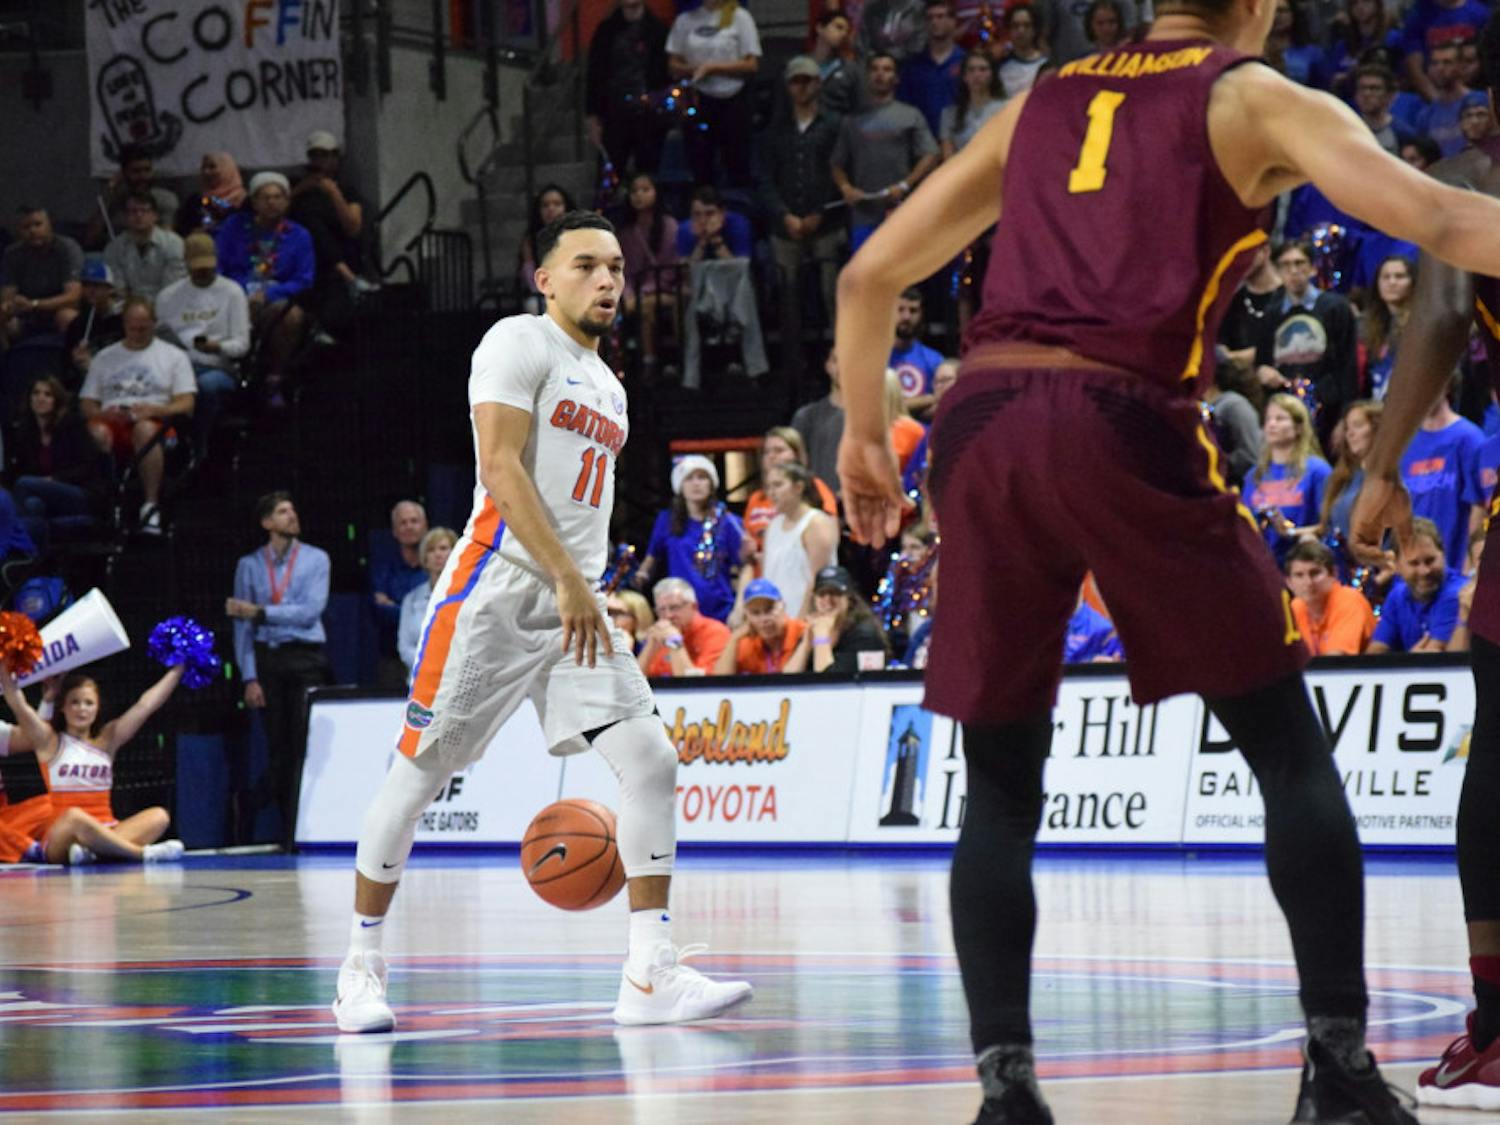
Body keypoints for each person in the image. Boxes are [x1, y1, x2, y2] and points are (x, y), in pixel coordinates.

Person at [833, 0, 1500, 1109]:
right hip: (1122, 409)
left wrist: (863, 432)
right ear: (1257, 6)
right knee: (1288, 749)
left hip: (982, 421)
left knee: (998, 790)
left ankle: (1006, 1090)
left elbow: (867, 281)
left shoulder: (1037, 97)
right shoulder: (1248, 94)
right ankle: (1336, 1070)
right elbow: (1435, 217)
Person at [332, 211, 752, 1034]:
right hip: (499, 589)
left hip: (579, 604)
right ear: (545, 278)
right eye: (588, 265)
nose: (607, 281)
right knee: (416, 779)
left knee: (652, 760)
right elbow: (498, 467)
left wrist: (582, 586)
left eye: (618, 270)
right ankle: (360, 967)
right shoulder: (517, 342)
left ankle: (648, 971)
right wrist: (564, 576)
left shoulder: (612, 387)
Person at [1353, 47, 1500, 1096]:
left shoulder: (1476, 192)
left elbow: (1443, 314)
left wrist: (1380, 468)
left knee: (1497, 763)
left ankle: (1498, 1017)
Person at [226, 492, 332, 845]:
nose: (292, 516)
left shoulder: (317, 559)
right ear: (267, 522)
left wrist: (261, 611)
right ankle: (285, 827)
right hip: (268, 659)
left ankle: (281, 814)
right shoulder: (250, 565)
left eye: (293, 509)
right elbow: (241, 627)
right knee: (277, 746)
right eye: (283, 512)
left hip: (306, 658)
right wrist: (249, 676)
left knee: (303, 743)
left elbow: (310, 611)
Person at [0, 666, 186, 865]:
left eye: (89, 703)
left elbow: (146, 705)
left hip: (108, 828)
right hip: (62, 836)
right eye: (74, 703)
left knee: (159, 816)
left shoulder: (107, 741)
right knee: (74, 817)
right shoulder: (50, 742)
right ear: (62, 707)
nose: (82, 709)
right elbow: (18, 704)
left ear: (97, 709)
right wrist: (3, 664)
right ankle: (141, 854)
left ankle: (94, 852)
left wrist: (178, 669)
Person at [78, 295, 196, 535]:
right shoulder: (104, 357)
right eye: (133, 326)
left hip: (158, 423)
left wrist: (155, 410)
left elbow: (187, 403)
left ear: (153, 323)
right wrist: (104, 414)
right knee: (95, 431)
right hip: (114, 420)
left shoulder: (173, 356)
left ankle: (151, 505)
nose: (138, 331)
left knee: (145, 430)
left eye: (144, 326)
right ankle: (105, 501)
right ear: (124, 324)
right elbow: (86, 403)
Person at [758, 56, 846, 353]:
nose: (802, 87)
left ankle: (840, 356)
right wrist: (784, 215)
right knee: (789, 296)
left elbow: (839, 172)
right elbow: (764, 176)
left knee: (831, 291)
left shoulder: (835, 125)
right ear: (788, 86)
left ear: (818, 83)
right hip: (785, 226)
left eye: (807, 80)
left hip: (827, 222)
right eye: (796, 81)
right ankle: (793, 364)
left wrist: (819, 212)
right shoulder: (774, 130)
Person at [215, 173, 315, 406]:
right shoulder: (234, 227)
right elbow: (218, 267)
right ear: (254, 201)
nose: (272, 202)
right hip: (235, 294)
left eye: (278, 197)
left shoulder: (299, 235)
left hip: (277, 297)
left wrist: (268, 295)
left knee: (290, 316)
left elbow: (304, 279)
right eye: (265, 197)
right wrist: (239, 292)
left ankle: (274, 379)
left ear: (287, 201)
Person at [154, 233, 251, 461]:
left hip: (218, 367)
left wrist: (218, 347)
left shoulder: (232, 292)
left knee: (204, 386)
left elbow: (242, 344)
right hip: (179, 365)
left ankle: (199, 444)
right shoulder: (168, 297)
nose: (203, 272)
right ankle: (166, 443)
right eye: (197, 267)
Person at [831, 53, 941, 253]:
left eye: (887, 69)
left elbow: (931, 154)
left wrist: (905, 184)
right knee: (865, 277)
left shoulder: (910, 115)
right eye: (874, 69)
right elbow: (837, 163)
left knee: (902, 276)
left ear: (896, 78)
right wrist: (846, 188)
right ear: (867, 77)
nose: (880, 74)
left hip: (900, 211)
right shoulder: (851, 120)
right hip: (863, 214)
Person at [1255, 239, 1359, 437]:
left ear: (1312, 269)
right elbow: (1262, 363)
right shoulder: (1272, 314)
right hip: (1286, 411)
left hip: (1329, 411)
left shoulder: (1335, 308)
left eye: (1299, 263)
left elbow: (1348, 367)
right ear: (1277, 271)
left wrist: (1346, 418)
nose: (1293, 271)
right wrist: (1263, 373)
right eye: (1285, 265)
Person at [665, 0, 762, 188]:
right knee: (700, 164)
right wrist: (694, 69)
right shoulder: (685, 20)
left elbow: (751, 64)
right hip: (699, 100)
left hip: (733, 99)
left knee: (737, 164)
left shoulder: (740, 17)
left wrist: (713, 68)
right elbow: (672, 64)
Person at [638, 454, 743, 621]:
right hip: (680, 614)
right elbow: (651, 559)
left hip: (721, 612)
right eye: (689, 478)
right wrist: (639, 576)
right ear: (679, 485)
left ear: (711, 484)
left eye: (702, 477)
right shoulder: (666, 520)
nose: (696, 483)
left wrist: (739, 609)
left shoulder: (729, 521)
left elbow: (746, 567)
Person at [8, 375, 109, 544]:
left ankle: (16, 547)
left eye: (48, 394)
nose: (41, 398)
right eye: (36, 393)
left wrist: (54, 480)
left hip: (80, 493)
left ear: (57, 400)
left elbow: (87, 466)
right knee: (33, 504)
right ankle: (36, 559)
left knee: (23, 483)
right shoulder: (25, 431)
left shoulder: (72, 425)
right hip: (44, 493)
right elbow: (19, 468)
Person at [1400, 371, 1485, 570]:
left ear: (1446, 385)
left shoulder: (1469, 438)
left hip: (1454, 565)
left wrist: (1469, 565)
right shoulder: (1406, 442)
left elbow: (1479, 508)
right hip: (1415, 566)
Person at [289, 130, 369, 335]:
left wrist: (333, 193)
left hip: (337, 258)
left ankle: (343, 273)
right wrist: (300, 190)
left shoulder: (347, 190)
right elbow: (274, 215)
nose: (319, 161)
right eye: (315, 156)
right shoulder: (296, 188)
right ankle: (347, 276)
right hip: (304, 258)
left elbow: (353, 228)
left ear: (336, 158)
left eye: (325, 155)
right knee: (308, 216)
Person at [1242, 393, 1332, 566]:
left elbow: (1328, 526)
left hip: (1302, 566)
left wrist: (1290, 532)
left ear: (1299, 427)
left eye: (1280, 418)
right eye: (1268, 419)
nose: (1271, 424)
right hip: (1258, 565)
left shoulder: (1317, 470)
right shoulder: (1254, 475)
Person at [585, 0, 671, 180]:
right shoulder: (605, 31)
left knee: (649, 177)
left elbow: (665, 76)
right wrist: (592, 115)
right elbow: (594, 74)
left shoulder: (659, 30)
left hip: (649, 114)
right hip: (614, 114)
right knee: (608, 179)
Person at [739, 427, 839, 573]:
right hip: (764, 580)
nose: (772, 456)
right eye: (767, 452)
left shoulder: (816, 488)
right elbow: (746, 550)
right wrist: (747, 552)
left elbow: (830, 539)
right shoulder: (756, 498)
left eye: (779, 450)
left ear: (796, 455)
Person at [750, 460, 839, 619]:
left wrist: (800, 622)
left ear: (798, 487)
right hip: (777, 620)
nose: (771, 493)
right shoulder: (773, 525)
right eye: (768, 487)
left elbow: (818, 580)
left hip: (805, 618)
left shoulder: (816, 523)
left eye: (778, 485)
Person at [1365, 517, 1465, 653]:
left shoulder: (1458, 593)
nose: (1424, 571)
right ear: (1396, 565)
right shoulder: (1397, 595)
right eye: (1414, 563)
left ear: (1443, 554)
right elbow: (1374, 653)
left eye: (1430, 561)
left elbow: (1434, 659)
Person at [616, 173, 679, 373]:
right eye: (634, 191)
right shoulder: (625, 232)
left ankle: (653, 361)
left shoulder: (670, 226)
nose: (638, 196)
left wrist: (644, 291)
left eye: (645, 190)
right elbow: (622, 271)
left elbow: (671, 269)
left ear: (656, 193)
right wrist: (628, 295)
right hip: (634, 292)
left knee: (647, 305)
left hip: (667, 288)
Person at [786, 565, 890, 673]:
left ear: (848, 598)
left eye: (835, 593)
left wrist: (821, 636)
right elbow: (786, 681)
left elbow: (830, 681)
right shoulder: (813, 629)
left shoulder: (864, 635)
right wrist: (805, 644)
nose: (828, 600)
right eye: (822, 594)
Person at [1, 205, 82, 343]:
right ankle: (9, 362)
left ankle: (70, 362)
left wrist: (35, 304)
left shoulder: (67, 248)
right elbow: (7, 296)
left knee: (68, 317)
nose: (32, 231)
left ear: (50, 224)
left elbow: (73, 297)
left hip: (57, 311)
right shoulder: (11, 254)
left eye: (38, 224)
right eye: (26, 227)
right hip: (26, 315)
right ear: (18, 231)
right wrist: (10, 305)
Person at [1286, 539, 1376, 655]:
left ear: (1333, 574)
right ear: (1289, 583)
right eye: (1299, 575)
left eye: (1315, 573)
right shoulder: (1295, 607)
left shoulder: (1349, 600)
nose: (1308, 582)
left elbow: (1335, 663)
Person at [86, 145, 180, 251]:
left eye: (147, 170)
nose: (143, 176)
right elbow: (90, 239)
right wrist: (109, 195)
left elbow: (167, 243)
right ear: (123, 173)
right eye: (136, 171)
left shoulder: (165, 200)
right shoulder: (114, 200)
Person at [372, 500, 431, 666]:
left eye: (414, 521)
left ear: (425, 525)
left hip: (433, 656)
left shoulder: (438, 568)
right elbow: (379, 612)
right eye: (403, 523)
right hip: (390, 657)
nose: (409, 527)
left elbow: (438, 615)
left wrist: (395, 606)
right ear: (394, 531)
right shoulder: (384, 569)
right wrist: (415, 612)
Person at [640, 576, 733, 678]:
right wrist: (650, 647)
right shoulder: (660, 634)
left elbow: (694, 685)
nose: (668, 615)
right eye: (662, 610)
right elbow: (632, 684)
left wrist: (674, 641)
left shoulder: (716, 632)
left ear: (694, 606)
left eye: (674, 607)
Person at [899, 0, 966, 137]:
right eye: (930, 18)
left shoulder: (966, 63)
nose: (934, 22)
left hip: (960, 143)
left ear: (953, 21)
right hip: (922, 146)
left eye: (940, 16)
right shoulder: (912, 66)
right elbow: (904, 110)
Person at [103, 192, 186, 301]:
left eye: (144, 211)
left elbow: (172, 288)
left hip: (167, 304)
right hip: (128, 308)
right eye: (133, 211)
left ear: (155, 215)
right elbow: (119, 289)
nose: (139, 215)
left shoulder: (174, 243)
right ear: (125, 216)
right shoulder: (113, 248)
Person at [1322, 400, 1383, 547]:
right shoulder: (1341, 478)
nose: (1350, 433)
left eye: (1358, 426)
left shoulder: (1392, 476)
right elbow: (1329, 528)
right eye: (1347, 428)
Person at [397, 527, 457, 678]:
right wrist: (429, 668)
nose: (438, 554)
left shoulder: (469, 596)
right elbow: (405, 647)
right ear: (425, 558)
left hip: (456, 679)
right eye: (431, 550)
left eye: (443, 548)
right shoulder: (411, 600)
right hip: (420, 680)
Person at [714, 578, 808, 674]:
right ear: (748, 616)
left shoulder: (802, 632)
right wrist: (734, 639)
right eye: (756, 613)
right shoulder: (748, 643)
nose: (764, 619)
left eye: (769, 610)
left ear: (783, 606)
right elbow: (720, 680)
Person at [1358, 255, 1414, 399]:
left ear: (1413, 282)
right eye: (1386, 277)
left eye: (1400, 276)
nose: (1392, 282)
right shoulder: (1367, 325)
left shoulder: (1420, 325)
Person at [62, 258, 124, 386]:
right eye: (86, 285)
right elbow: (65, 365)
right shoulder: (78, 324)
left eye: (96, 285)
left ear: (110, 289)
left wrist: (94, 366)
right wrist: (75, 361)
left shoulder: (125, 320)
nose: (90, 291)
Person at [792, 349, 846, 490]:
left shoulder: (873, 416)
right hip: (820, 502)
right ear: (827, 366)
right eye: (836, 360)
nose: (843, 366)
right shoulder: (807, 416)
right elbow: (795, 465)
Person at [941, 51, 1008, 160]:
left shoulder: (1006, 109)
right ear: (964, 76)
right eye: (971, 70)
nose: (977, 75)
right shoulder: (949, 114)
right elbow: (948, 157)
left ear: (992, 74)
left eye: (983, 69)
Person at [518, 185, 575, 313]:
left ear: (566, 208)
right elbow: (530, 278)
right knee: (533, 304)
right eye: (545, 205)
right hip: (543, 294)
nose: (551, 209)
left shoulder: (576, 235)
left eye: (557, 204)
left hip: (573, 290)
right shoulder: (530, 240)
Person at [889, 287, 945, 415]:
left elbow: (942, 407)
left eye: (913, 311)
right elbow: (879, 408)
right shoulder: (877, 359)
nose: (906, 317)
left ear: (921, 315)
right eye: (900, 310)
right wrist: (929, 399)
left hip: (926, 434)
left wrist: (900, 409)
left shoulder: (934, 359)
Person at [1416, 42, 1473, 157]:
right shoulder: (1425, 115)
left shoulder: (1483, 103)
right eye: (1435, 63)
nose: (1440, 68)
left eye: (1447, 62)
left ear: (1461, 66)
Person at [175, 151, 247, 236]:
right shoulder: (195, 201)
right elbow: (181, 231)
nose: (206, 172)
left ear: (227, 169)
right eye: (203, 167)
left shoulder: (244, 201)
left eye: (212, 167)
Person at [812, 9, 863, 116]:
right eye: (838, 27)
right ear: (820, 28)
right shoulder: (797, 66)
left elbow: (859, 111)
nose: (843, 34)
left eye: (846, 31)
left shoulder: (851, 71)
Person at [1349, 65, 1409, 154]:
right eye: (1362, 88)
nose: (1366, 94)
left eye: (1374, 88)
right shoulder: (1348, 129)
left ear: (1389, 95)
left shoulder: (1402, 133)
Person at [997, 5, 1051, 98]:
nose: (1021, 30)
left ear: (1034, 30)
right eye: (1015, 26)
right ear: (1009, 30)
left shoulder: (1047, 66)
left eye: (1027, 25)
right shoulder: (1000, 67)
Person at [607, 589, 655, 655]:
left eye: (617, 613)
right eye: (608, 612)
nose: (609, 618)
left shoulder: (650, 647)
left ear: (638, 619)